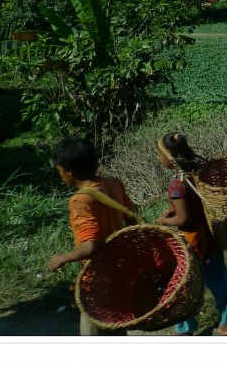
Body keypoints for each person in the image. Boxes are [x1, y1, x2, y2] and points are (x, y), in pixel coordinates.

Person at [49, 135, 136, 336]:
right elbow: (130, 218)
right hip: (121, 270)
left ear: (70, 171)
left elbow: (91, 246)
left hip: (98, 278)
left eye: (59, 169)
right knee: (116, 326)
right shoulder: (113, 183)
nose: (59, 174)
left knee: (94, 331)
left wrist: (61, 258)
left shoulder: (81, 200)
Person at [155, 131, 227, 336]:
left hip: (192, 242)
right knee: (219, 279)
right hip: (210, 235)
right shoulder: (198, 173)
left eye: (160, 155)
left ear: (169, 157)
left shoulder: (177, 184)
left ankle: (184, 326)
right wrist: (176, 211)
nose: (159, 158)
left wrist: (163, 220)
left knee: (183, 284)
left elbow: (183, 220)